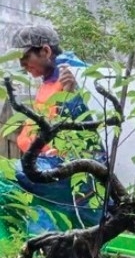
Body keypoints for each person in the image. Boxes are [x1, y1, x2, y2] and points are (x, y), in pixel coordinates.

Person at [1, 24, 105, 230]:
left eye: (25, 58)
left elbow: (88, 125)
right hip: (48, 163)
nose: (22, 65)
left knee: (5, 177)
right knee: (44, 215)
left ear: (46, 51)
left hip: (72, 166)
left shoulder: (74, 74)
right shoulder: (49, 79)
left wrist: (71, 94)